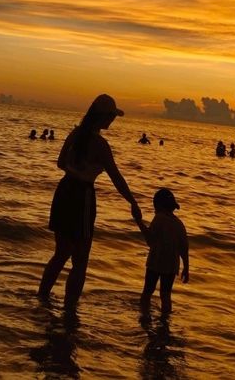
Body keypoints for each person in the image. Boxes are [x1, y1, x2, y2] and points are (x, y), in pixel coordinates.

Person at [38, 94, 141, 307]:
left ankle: (42, 297)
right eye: (111, 116)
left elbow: (60, 163)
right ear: (102, 117)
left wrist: (76, 169)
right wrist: (132, 201)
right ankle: (69, 310)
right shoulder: (101, 145)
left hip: (64, 190)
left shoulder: (75, 133)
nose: (112, 120)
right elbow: (116, 178)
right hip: (82, 196)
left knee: (60, 254)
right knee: (80, 261)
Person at [135, 188, 189, 314]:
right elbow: (184, 248)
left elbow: (149, 240)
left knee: (148, 291)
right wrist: (186, 267)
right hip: (171, 265)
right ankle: (165, 320)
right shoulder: (179, 224)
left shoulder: (159, 218)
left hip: (156, 261)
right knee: (165, 295)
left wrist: (138, 221)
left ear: (157, 205)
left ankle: (144, 316)